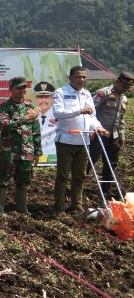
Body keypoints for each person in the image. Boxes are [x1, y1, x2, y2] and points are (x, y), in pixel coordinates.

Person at [52, 66, 109, 214]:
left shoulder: (87, 94)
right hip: (65, 140)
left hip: (83, 141)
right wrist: (80, 111)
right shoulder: (61, 93)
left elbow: (92, 117)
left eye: (84, 77)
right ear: (70, 78)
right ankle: (59, 207)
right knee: (63, 176)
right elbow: (59, 113)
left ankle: (75, 205)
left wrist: (98, 127)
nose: (81, 80)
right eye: (78, 77)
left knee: (80, 176)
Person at [0, 77, 42, 215]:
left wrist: (37, 152)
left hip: (26, 150)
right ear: (11, 89)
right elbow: (5, 125)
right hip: (8, 150)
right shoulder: (5, 106)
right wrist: (24, 118)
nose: (22, 90)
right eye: (18, 88)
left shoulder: (30, 107)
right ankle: (0, 209)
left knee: (24, 180)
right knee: (3, 179)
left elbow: (35, 130)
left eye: (24, 87)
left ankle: (21, 207)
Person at [88, 71, 134, 198]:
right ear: (117, 82)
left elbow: (121, 119)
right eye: (124, 86)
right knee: (91, 159)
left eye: (128, 87)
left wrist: (121, 136)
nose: (125, 89)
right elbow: (91, 112)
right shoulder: (103, 93)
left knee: (111, 163)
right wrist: (92, 129)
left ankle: (105, 189)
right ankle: (78, 185)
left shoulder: (123, 98)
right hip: (99, 133)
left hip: (113, 135)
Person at [33, 81, 57, 158]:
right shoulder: (31, 114)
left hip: (53, 156)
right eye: (40, 97)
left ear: (52, 98)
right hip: (34, 156)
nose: (43, 100)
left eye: (46, 97)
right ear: (36, 98)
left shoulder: (58, 115)